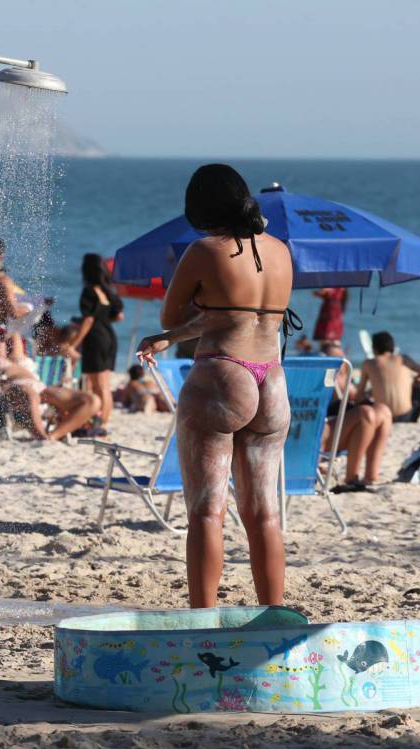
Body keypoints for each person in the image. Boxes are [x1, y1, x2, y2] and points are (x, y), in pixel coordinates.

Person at [136, 163, 298, 608]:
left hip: (222, 376)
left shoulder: (205, 251)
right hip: (273, 381)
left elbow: (174, 317)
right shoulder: (281, 251)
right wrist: (173, 337)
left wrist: (170, 331)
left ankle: (203, 618)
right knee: (264, 511)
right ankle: (273, 614)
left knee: (207, 510)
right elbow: (238, 314)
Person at [0, 329, 99, 442]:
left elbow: (15, 334)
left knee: (92, 400)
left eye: (2, 340)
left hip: (40, 388)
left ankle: (53, 436)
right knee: (31, 394)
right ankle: (42, 437)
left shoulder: (18, 358)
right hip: (14, 390)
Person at [319, 342, 392, 492]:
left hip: (344, 431)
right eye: (334, 358)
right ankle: (351, 478)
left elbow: (354, 396)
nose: (340, 362)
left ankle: (371, 476)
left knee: (384, 411)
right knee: (365, 413)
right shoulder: (323, 379)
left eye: (341, 357)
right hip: (322, 435)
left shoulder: (344, 379)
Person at [70, 254, 123, 433]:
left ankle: (101, 425)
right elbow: (118, 316)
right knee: (105, 385)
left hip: (96, 340)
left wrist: (74, 343)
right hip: (110, 337)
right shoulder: (108, 291)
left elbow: (88, 320)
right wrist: (103, 320)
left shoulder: (89, 291)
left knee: (98, 385)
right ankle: (104, 423)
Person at [358, 331, 420, 423]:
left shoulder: (368, 363)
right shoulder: (403, 359)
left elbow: (359, 393)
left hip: (381, 416)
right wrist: (416, 380)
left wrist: (368, 394)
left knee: (364, 397)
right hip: (407, 417)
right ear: (392, 347)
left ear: (374, 348)